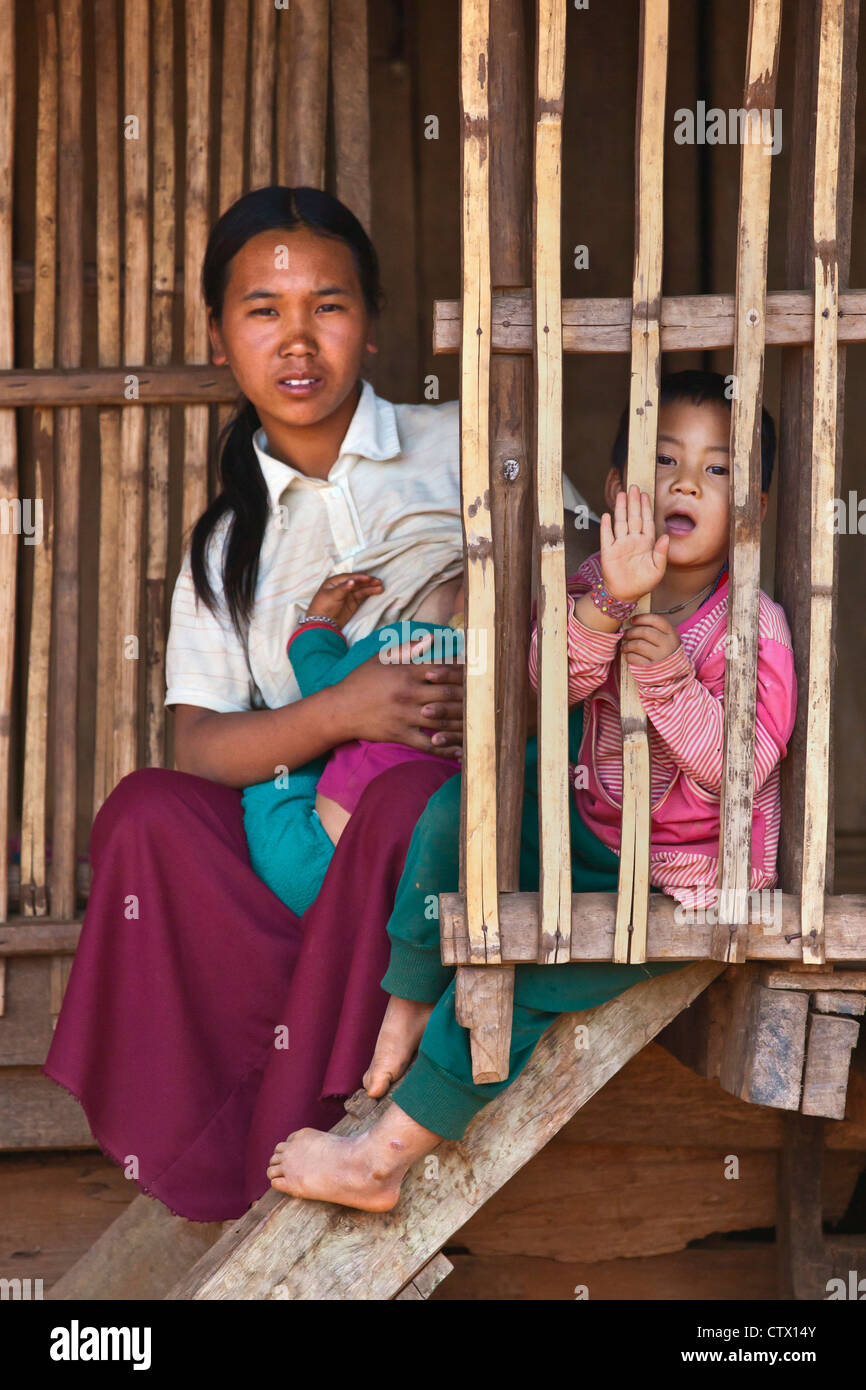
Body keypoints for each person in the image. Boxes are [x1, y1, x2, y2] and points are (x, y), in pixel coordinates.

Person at [42, 185, 592, 1222]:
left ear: (372, 322)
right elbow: (199, 742)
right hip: (303, 841)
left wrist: (486, 703)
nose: (297, 339)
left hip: (454, 818)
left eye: (327, 306)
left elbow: (584, 597)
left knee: (400, 808)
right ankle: (237, 1097)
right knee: (146, 813)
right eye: (263, 310)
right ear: (219, 335)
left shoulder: (466, 445)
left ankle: (321, 1114)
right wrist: (343, 712)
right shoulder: (224, 545)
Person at [264, 370, 799, 1213]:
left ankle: (381, 1159)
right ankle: (403, 1001)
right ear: (621, 492)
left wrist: (667, 680)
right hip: (589, 828)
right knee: (458, 810)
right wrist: (606, 613)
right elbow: (551, 685)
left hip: (680, 880)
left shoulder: (753, 626)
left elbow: (738, 771)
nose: (688, 482)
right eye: (664, 460)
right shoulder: (595, 586)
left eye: (720, 469)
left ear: (753, 510)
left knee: (518, 982)